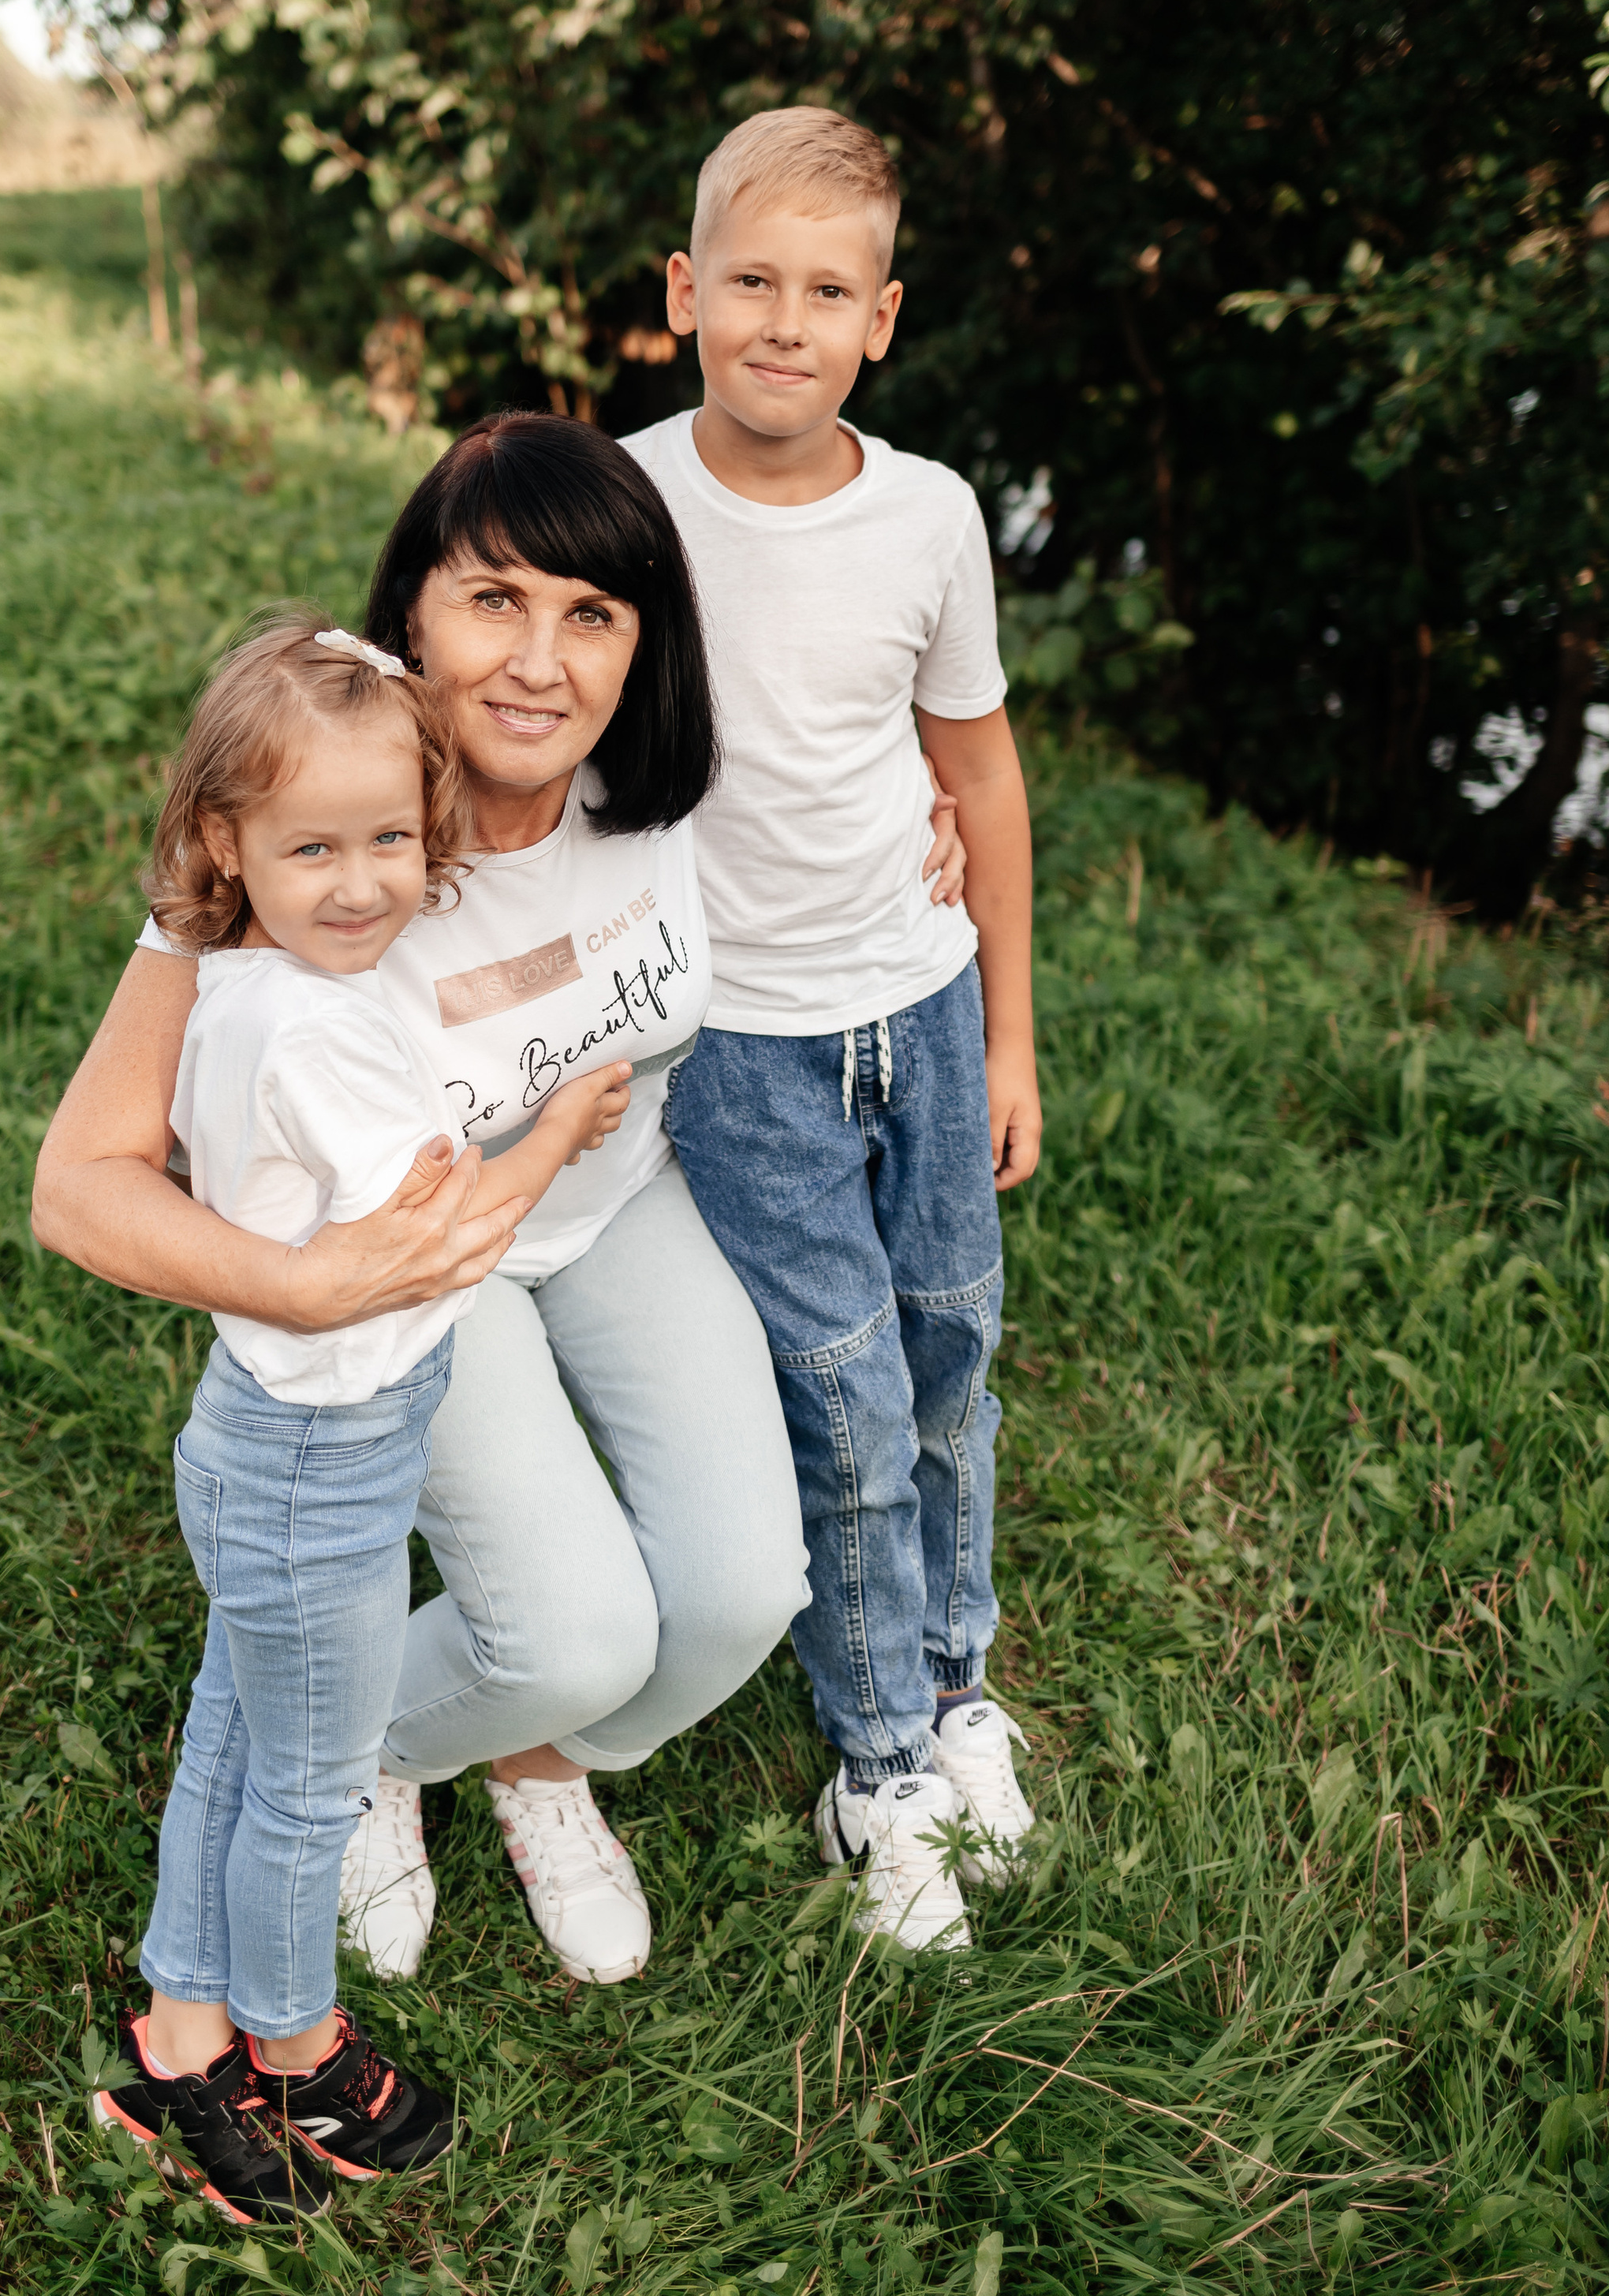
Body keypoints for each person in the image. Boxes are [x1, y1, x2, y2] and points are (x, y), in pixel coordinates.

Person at [38, 417, 956, 1988]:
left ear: (641, 644)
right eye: (493, 600)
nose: (540, 663)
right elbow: (79, 1186)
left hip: (616, 1208)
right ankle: (365, 1761)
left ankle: (535, 1760)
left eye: (590, 613)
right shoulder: (320, 833)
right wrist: (305, 1286)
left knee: (741, 1596)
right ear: (411, 612)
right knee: (576, 1633)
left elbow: (860, 803)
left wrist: (914, 822)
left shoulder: (665, 794)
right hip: (417, 1277)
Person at [93, 616, 629, 2223]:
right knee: (307, 1789)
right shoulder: (315, 1028)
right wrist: (561, 1127)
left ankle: (179, 2032)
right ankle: (294, 2047)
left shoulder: (248, 981)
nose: (359, 885)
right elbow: (448, 1230)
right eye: (312, 848)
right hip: (319, 1470)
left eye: (389, 840)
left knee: (237, 1730)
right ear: (224, 844)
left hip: (264, 1439)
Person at [626, 104, 1045, 1954]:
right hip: (738, 1044)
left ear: (879, 318)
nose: (780, 325)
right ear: (681, 292)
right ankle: (871, 1765)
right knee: (847, 1399)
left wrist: (1009, 1038)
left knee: (949, 1360)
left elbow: (978, 771)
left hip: (923, 1008)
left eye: (823, 292)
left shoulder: (929, 515)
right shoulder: (623, 505)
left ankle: (952, 1692)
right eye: (748, 282)